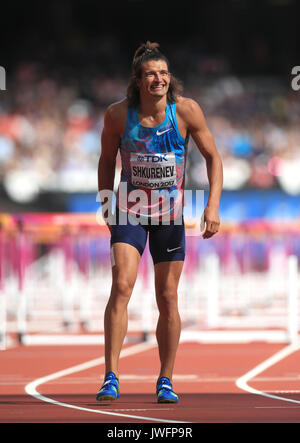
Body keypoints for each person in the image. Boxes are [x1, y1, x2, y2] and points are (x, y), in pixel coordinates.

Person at [96, 41, 223, 403]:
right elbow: (106, 160)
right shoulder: (118, 115)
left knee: (167, 297)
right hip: (129, 209)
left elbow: (214, 158)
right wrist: (107, 201)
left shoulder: (185, 112)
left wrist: (211, 206)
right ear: (137, 81)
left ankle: (165, 379)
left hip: (169, 215)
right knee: (122, 284)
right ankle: (111, 375)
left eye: (164, 73)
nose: (159, 79)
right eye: (151, 74)